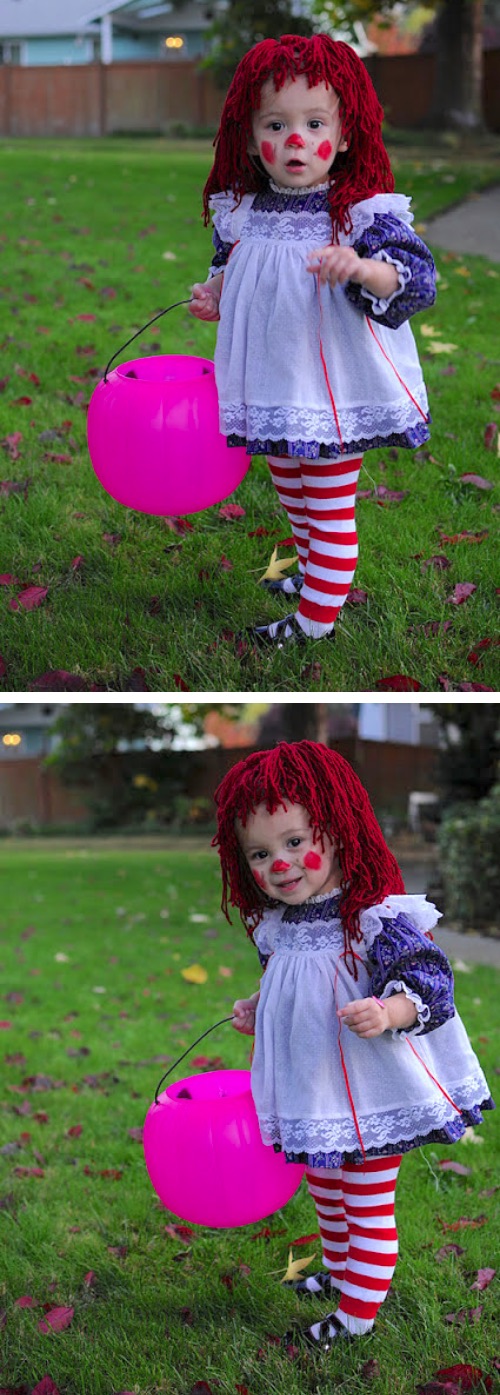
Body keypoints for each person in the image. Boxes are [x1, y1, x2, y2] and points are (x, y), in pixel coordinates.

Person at [213, 741, 493, 1350]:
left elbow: (429, 981)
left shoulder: (373, 916)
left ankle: (358, 1314)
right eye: (260, 853)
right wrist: (257, 1009)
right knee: (325, 1187)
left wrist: (390, 1008)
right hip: (314, 1093)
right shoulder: (276, 925)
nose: (280, 864)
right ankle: (341, 1275)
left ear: (337, 832)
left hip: (369, 1092)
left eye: (294, 842)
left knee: (365, 1200)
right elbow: (288, 985)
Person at [189, 34, 437, 648]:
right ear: (249, 138)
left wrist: (359, 268)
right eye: (276, 123)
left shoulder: (359, 213)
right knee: (291, 489)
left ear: (345, 133)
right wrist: (215, 293)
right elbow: (234, 267)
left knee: (326, 507)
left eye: (314, 122)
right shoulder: (244, 209)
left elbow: (414, 279)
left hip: (331, 388)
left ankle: (313, 624)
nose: (295, 139)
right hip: (273, 381)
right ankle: (310, 574)